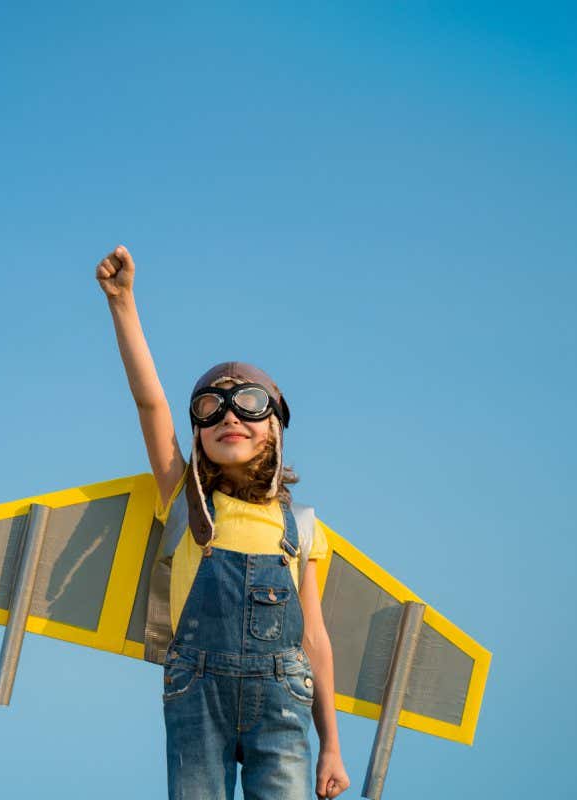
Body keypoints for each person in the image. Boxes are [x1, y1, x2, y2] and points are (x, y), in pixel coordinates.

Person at [96, 244, 351, 799]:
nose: (230, 415)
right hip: (197, 694)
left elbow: (314, 636)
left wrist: (331, 744)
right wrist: (123, 303)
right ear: (197, 434)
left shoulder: (302, 525)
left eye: (248, 404)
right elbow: (150, 405)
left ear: (275, 428)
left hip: (285, 699)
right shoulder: (185, 497)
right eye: (212, 407)